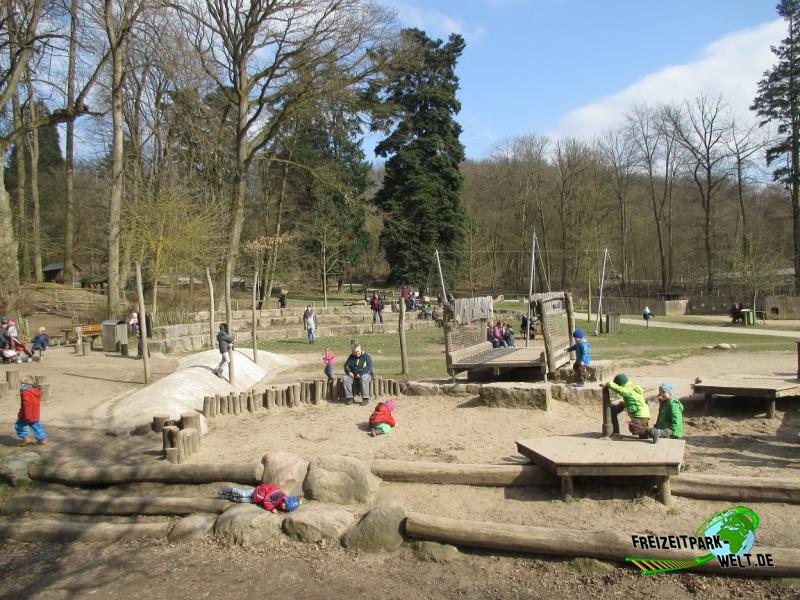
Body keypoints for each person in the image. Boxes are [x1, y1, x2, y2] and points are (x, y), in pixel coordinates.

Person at [601, 373, 651, 439]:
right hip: (644, 412)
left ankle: (654, 432)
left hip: (639, 414)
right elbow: (634, 399)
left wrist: (608, 384)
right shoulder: (633, 387)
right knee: (642, 432)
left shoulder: (627, 389)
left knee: (634, 428)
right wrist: (625, 403)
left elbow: (620, 390)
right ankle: (649, 435)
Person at [16, 375, 47, 446]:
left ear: (26, 384)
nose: (21, 385)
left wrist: (25, 415)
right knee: (36, 426)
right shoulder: (35, 390)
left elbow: (27, 404)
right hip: (35, 413)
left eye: (22, 383)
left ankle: (25, 439)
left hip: (27, 414)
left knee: (18, 425)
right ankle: (42, 439)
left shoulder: (25, 392)